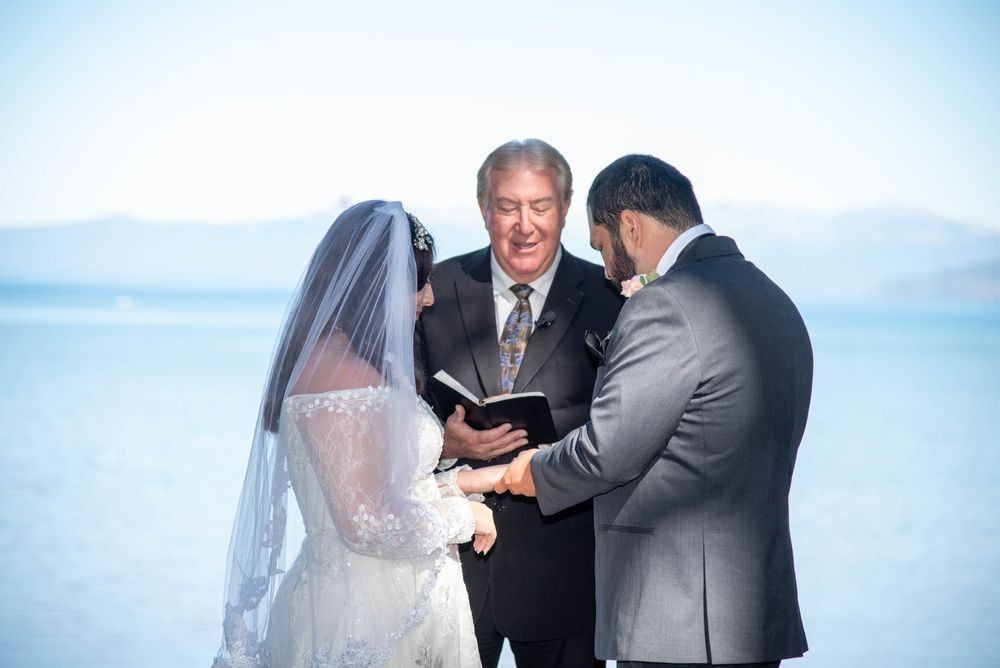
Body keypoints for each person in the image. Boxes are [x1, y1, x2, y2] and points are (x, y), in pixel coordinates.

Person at [498, 155, 813, 667]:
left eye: (602, 246)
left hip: (677, 619)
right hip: (752, 615)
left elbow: (607, 451)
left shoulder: (665, 303)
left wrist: (533, 469)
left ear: (630, 225)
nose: (607, 269)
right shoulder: (773, 298)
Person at [214, 200, 503, 668]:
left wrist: (466, 481)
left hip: (387, 599)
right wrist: (465, 516)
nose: (429, 297)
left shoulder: (344, 363)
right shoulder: (342, 377)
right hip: (369, 618)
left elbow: (381, 488)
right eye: (418, 282)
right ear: (376, 287)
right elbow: (367, 525)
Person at [417, 139, 624, 668]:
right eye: (508, 207)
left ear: (565, 208)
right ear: (484, 208)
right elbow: (394, 410)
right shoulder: (431, 291)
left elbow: (627, 425)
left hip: (568, 573)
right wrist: (444, 443)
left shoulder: (613, 297)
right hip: (451, 572)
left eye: (540, 206)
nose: (524, 226)